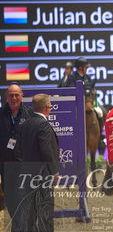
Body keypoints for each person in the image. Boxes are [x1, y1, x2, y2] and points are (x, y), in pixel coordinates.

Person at [13, 94, 59, 232]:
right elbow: (46, 150)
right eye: (50, 106)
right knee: (45, 212)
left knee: (30, 213)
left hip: (27, 174)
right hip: (43, 175)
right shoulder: (43, 124)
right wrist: (54, 171)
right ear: (46, 108)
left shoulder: (24, 124)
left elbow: (17, 150)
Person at [0, 83, 33, 217]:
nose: (14, 98)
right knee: (10, 196)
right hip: (5, 164)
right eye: (11, 95)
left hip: (25, 164)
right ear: (6, 97)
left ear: (22, 96)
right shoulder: (0, 114)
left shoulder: (30, 114)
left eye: (16, 95)